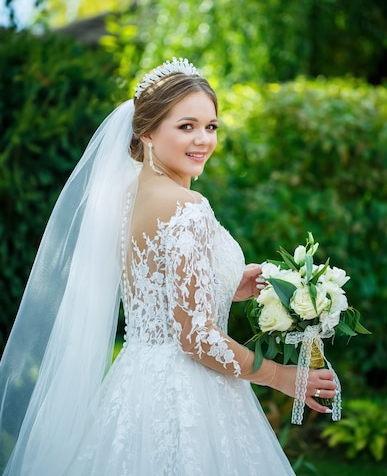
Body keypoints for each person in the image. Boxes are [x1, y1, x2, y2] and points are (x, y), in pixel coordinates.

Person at [0, 58, 336, 475]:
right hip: (191, 395)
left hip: (136, 384)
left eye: (211, 126)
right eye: (186, 126)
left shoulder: (127, 197)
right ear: (148, 132)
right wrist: (279, 377)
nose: (203, 140)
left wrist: (227, 285)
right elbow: (194, 336)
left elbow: (156, 286)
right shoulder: (188, 207)